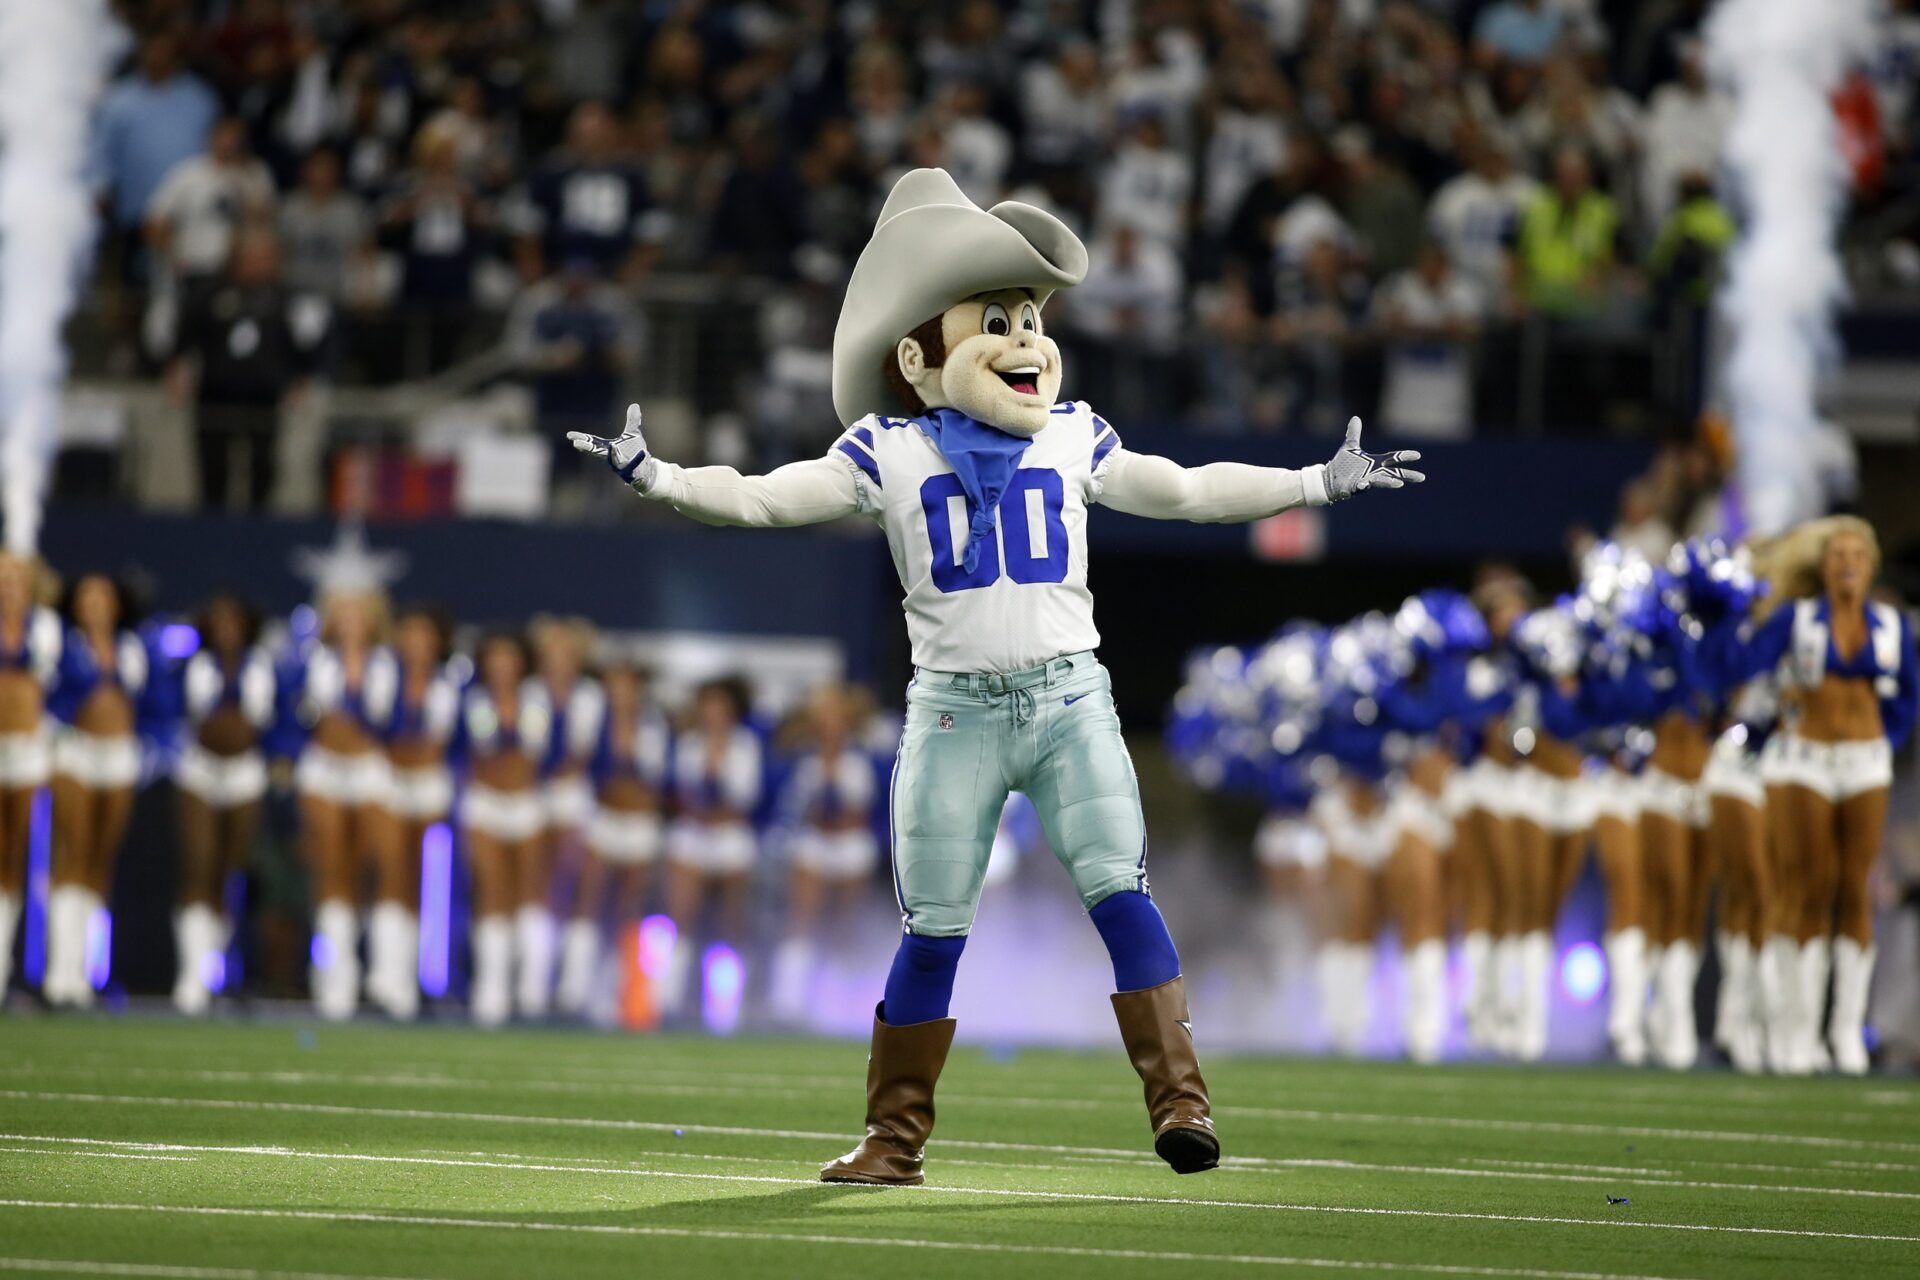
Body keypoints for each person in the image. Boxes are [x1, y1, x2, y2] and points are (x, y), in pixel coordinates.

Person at [571, 168, 1424, 1183]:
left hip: (1068, 695)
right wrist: (657, 475)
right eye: (997, 319)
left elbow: (1187, 489)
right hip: (955, 713)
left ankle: (1181, 1102)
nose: (1027, 339)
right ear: (916, 356)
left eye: (1031, 317)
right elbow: (761, 498)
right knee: (933, 928)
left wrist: (1312, 481)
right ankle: (895, 1138)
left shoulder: (1074, 433)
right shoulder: (885, 449)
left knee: (1121, 892)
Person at [1714, 518, 1918, 1073]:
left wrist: (1883, 742)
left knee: (1855, 887)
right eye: (1837, 555)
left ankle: (1845, 1029)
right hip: (1801, 761)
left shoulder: (1893, 627)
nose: (1848, 563)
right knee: (1804, 884)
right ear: (1822, 568)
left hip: (1863, 763)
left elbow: (1908, 699)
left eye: (1857, 554)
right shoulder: (1794, 619)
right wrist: (1733, 612)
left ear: (1871, 565)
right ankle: (1794, 1028)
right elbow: (1741, 668)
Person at [44, 575, 151, 1008]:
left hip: (119, 756)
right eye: (87, 596)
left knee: (100, 860)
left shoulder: (132, 651)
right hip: (75, 749)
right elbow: (48, 697)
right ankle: (58, 972)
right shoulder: (61, 644)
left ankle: (84, 972)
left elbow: (153, 706)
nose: (95, 605)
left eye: (103, 597)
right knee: (72, 850)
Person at [167, 227, 330, 511]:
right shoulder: (211, 294)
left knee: (262, 468)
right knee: (213, 468)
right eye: (250, 258)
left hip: (264, 398)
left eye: (264, 258)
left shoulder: (288, 299)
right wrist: (177, 370)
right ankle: (210, 524)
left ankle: (257, 528)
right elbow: (185, 335)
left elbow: (308, 343)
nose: (256, 265)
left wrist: (302, 381)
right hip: (215, 395)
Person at [172, 592, 274, 1016]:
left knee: (232, 873)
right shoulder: (191, 666)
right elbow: (171, 711)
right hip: (200, 769)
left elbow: (279, 718)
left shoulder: (263, 667)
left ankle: (217, 968)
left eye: (233, 621)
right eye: (218, 621)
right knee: (200, 863)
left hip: (245, 772)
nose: (226, 629)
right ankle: (191, 975)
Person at [295, 589, 392, 1020]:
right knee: (330, 869)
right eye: (343, 615)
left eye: (359, 614)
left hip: (367, 769)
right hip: (324, 769)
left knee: (365, 867)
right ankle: (336, 975)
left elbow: (377, 716)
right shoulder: (314, 660)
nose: (351, 622)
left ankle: (378, 973)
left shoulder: (385, 665)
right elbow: (313, 714)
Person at [364, 604, 459, 1021]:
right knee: (390, 871)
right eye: (410, 634)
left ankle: (407, 976)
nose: (417, 644)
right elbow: (372, 730)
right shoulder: (382, 673)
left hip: (430, 784)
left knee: (421, 881)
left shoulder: (451, 683)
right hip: (387, 778)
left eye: (425, 635)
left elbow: (438, 745)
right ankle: (384, 974)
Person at [559, 657, 669, 1017]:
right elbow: (577, 765)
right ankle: (574, 988)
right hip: (601, 819)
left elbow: (653, 785)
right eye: (614, 685)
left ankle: (623, 989)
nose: (621, 694)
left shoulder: (654, 727)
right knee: (588, 898)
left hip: (638, 824)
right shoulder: (591, 720)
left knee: (631, 907)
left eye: (628, 686)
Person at [769, 683, 882, 1022]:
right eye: (824, 717)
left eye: (836, 717)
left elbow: (873, 808)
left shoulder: (866, 758)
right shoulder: (801, 758)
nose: (830, 724)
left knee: (845, 924)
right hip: (814, 842)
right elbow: (788, 805)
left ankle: (837, 1001)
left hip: (852, 846)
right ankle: (787, 1001)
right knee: (801, 919)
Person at [455, 630, 548, 1027]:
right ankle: (491, 989)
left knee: (528, 894)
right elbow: (480, 755)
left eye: (509, 658)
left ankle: (530, 987)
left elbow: (531, 759)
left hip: (526, 804)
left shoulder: (537, 701)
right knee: (491, 891)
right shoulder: (475, 701)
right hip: (486, 803)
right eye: (494, 658)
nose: (502, 667)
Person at [659, 677, 762, 1018]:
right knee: (681, 913)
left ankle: (724, 1002)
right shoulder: (689, 745)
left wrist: (715, 812)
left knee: (730, 921)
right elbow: (683, 795)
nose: (714, 714)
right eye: (708, 707)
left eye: (721, 707)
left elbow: (743, 799)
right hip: (693, 834)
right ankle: (668, 996)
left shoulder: (746, 746)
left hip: (731, 836)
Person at [523, 617, 604, 1019]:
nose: (558, 663)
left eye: (566, 655)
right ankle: (533, 984)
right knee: (540, 890)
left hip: (575, 798)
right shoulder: (530, 694)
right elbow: (531, 748)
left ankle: (574, 987)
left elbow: (582, 753)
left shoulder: (590, 697)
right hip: (532, 796)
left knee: (576, 888)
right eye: (551, 655)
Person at [0, 555, 60, 1000]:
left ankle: (2, 962)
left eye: (17, 577)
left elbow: (55, 691)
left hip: (25, 751)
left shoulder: (46, 628)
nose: (9, 585)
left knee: (14, 853)